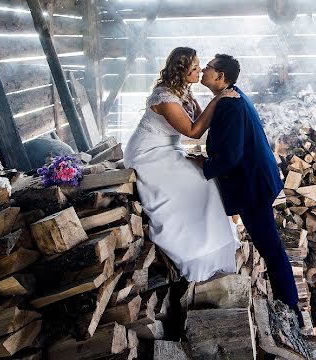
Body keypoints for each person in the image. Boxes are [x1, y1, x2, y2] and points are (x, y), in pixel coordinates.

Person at [193, 54, 301, 317]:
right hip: (256, 178)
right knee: (271, 246)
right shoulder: (229, 95)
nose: (203, 70)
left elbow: (231, 156)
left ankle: (291, 309)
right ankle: (289, 304)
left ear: (220, 76)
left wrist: (204, 165)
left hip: (252, 185)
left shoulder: (230, 105)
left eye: (207, 67)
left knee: (270, 247)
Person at [122, 47, 240, 282]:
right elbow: (194, 131)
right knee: (196, 182)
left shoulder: (184, 90)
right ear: (182, 70)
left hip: (170, 149)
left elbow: (199, 120)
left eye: (200, 66)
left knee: (206, 179)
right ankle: (193, 252)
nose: (200, 70)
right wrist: (218, 99)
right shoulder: (164, 97)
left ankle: (215, 245)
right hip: (148, 153)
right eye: (195, 67)